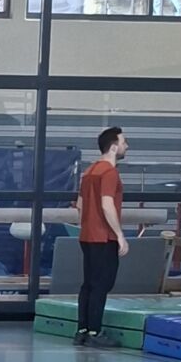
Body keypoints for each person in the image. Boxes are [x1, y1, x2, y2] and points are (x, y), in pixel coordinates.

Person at [73, 126, 127, 346]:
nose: (126, 146)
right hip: (104, 237)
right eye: (123, 142)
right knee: (102, 284)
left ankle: (82, 330)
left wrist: (88, 223)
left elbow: (80, 205)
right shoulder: (109, 172)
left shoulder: (89, 172)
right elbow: (107, 205)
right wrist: (120, 235)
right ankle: (95, 332)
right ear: (113, 147)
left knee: (89, 284)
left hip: (87, 236)